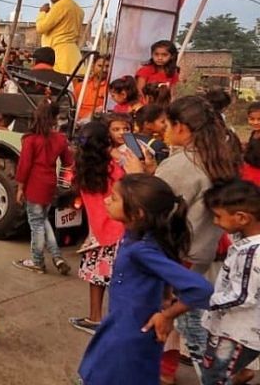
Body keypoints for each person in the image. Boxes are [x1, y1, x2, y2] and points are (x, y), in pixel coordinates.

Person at [76, 174, 213, 385]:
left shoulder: (142, 250)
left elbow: (201, 288)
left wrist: (167, 315)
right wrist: (166, 297)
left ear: (138, 214)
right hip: (119, 329)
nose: (106, 201)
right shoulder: (138, 237)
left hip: (128, 340)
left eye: (113, 198)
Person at [141, 96, 241, 370]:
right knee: (185, 325)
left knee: (188, 333)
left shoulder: (183, 163)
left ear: (182, 128)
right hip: (199, 257)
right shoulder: (219, 158)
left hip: (175, 257)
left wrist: (138, 177)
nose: (164, 130)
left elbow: (150, 207)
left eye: (168, 124)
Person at [200, 180, 260, 385]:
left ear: (242, 218)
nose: (215, 222)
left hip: (236, 334)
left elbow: (242, 296)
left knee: (214, 376)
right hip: (233, 329)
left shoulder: (252, 252)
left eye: (218, 216)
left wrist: (203, 299)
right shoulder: (245, 242)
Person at [69, 120, 126, 335]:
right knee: (118, 280)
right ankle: (116, 324)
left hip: (97, 232)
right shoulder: (115, 169)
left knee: (96, 277)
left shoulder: (81, 169)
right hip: (119, 231)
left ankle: (94, 318)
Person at [12, 100, 74, 275]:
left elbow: (24, 166)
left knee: (36, 224)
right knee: (43, 220)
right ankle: (57, 256)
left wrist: (20, 188)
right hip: (50, 183)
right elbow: (69, 162)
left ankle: (37, 261)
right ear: (55, 118)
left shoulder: (30, 139)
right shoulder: (60, 139)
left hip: (34, 184)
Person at [35, 0, 85, 75]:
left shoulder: (61, 5)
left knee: (58, 84)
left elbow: (41, 28)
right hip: (73, 53)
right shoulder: (78, 9)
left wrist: (42, 12)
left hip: (59, 53)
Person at [75, 55, 110, 122]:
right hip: (76, 120)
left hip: (95, 122)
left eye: (107, 66)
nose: (104, 70)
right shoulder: (82, 85)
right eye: (100, 66)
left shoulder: (111, 88)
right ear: (93, 66)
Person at [243, 102, 260, 186]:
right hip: (250, 172)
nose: (255, 122)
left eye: (259, 119)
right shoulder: (254, 133)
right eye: (252, 119)